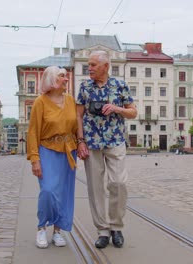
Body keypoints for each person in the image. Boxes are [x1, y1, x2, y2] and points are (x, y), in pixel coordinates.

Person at [76, 50, 137, 249]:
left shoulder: (120, 85)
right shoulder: (84, 86)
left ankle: (116, 226)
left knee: (119, 183)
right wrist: (80, 141)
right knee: (95, 188)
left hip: (115, 140)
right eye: (88, 65)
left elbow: (133, 112)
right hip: (92, 142)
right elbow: (78, 116)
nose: (89, 68)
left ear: (105, 66)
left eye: (93, 65)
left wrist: (117, 109)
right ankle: (102, 230)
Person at [26, 66, 78, 249]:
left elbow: (76, 126)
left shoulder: (71, 100)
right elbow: (32, 132)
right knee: (48, 190)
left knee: (64, 193)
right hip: (47, 149)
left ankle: (57, 231)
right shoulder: (40, 102)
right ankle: (42, 227)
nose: (66, 79)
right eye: (62, 76)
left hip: (68, 151)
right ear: (52, 81)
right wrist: (35, 159)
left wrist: (81, 144)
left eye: (66, 76)